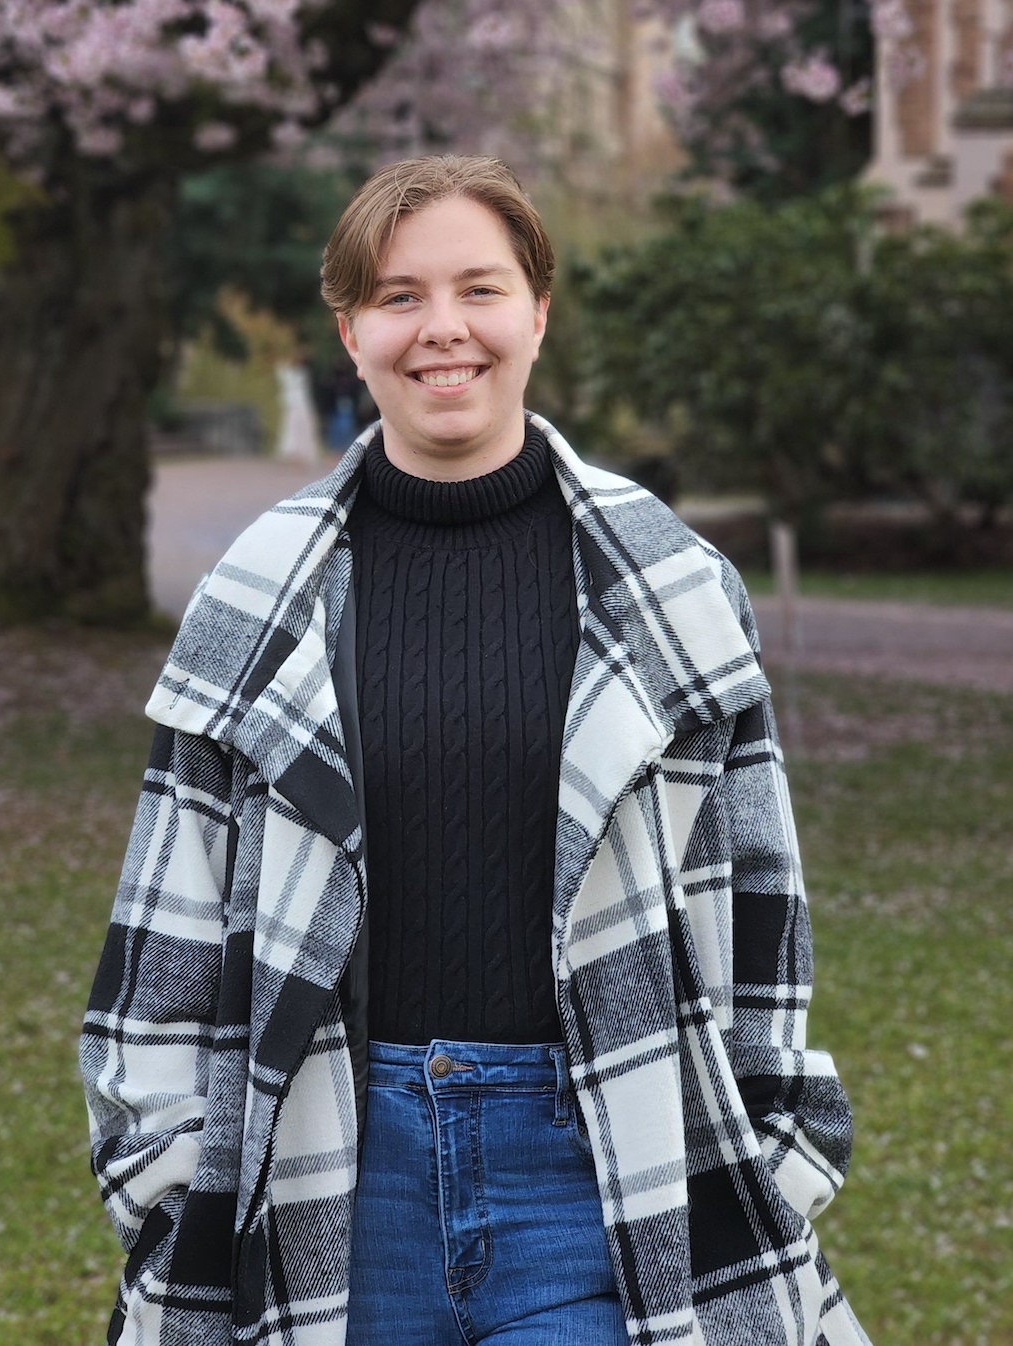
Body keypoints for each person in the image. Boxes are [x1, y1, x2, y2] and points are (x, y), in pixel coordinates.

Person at [80, 155, 870, 1346]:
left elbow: (757, 899)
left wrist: (774, 1151)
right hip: (330, 1172)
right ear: (350, 334)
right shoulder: (252, 597)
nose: (441, 328)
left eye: (479, 289)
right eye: (398, 296)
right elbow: (167, 926)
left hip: (605, 1174)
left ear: (537, 313)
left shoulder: (672, 585)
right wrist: (163, 1176)